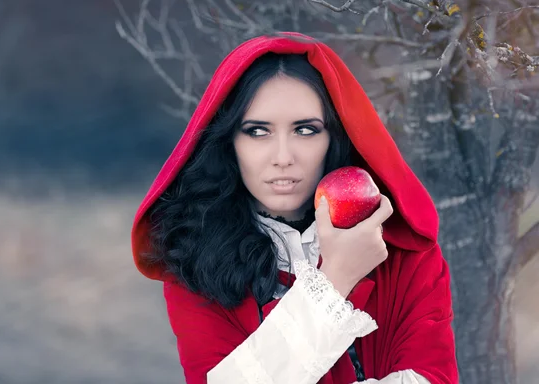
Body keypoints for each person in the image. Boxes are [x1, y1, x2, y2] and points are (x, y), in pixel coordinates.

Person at [131, 32, 458, 383]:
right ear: (230, 143)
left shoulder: (405, 252)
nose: (283, 158)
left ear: (336, 137)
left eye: (305, 130)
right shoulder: (194, 263)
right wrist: (336, 279)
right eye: (258, 132)